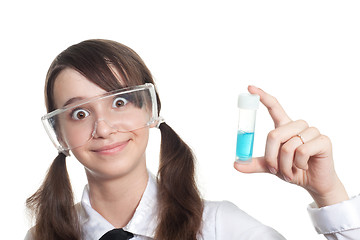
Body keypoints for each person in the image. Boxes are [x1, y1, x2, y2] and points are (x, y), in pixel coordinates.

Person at [25, 39, 360, 240]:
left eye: (119, 101)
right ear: (58, 132)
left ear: (150, 108)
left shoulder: (219, 228)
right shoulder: (41, 238)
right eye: (79, 114)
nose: (104, 127)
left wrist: (328, 193)